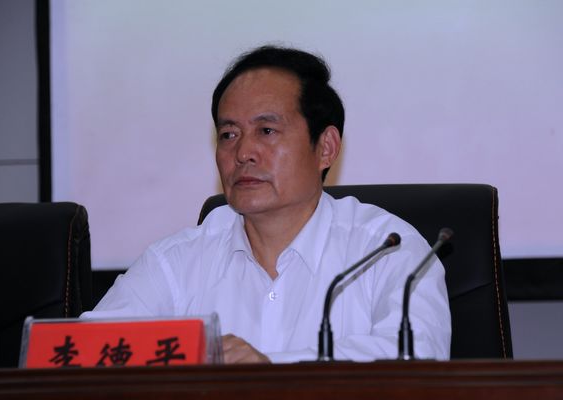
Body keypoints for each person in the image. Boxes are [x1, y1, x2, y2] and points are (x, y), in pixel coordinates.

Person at [82, 45, 451, 363]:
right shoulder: (176, 262)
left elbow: (418, 356)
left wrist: (271, 368)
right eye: (229, 134)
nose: (243, 152)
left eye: (267, 131)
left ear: (325, 148)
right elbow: (84, 355)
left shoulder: (386, 250)